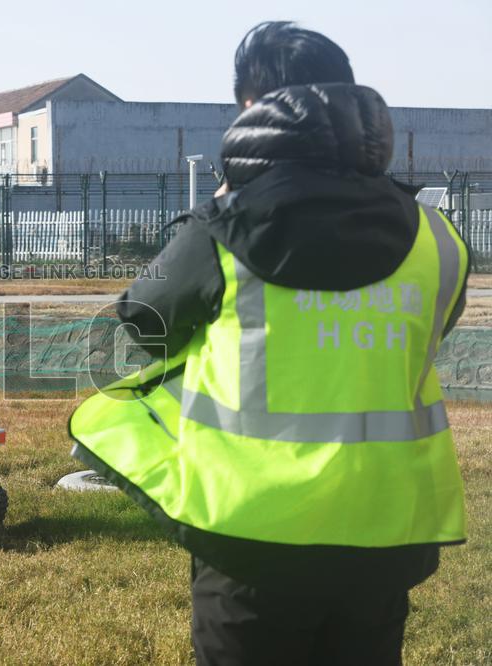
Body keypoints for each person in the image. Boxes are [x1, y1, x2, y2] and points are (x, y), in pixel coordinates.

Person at [69, 21, 469, 666]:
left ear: (254, 111)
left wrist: (217, 209)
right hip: (388, 525)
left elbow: (143, 323)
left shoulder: (222, 229)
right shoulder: (438, 237)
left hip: (251, 534)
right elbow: (427, 335)